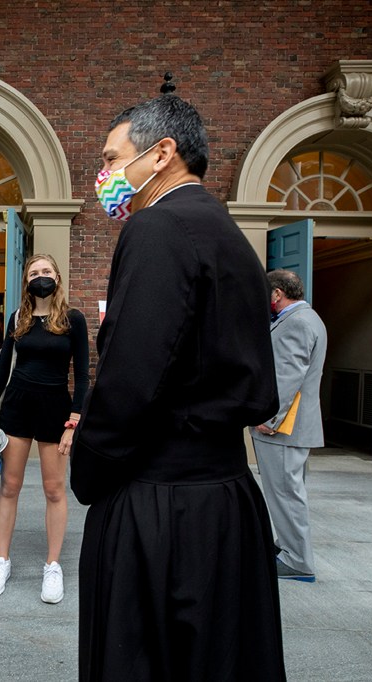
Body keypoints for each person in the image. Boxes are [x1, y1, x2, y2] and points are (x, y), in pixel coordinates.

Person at [71, 95, 286, 680]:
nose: (105, 175)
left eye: (113, 158)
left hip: (161, 498)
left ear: (161, 153)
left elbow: (131, 374)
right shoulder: (225, 233)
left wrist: (88, 468)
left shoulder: (158, 227)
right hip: (223, 496)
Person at [0, 254, 89, 604]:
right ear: (26, 280)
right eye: (34, 272)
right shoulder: (18, 317)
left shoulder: (73, 319)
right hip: (17, 407)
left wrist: (74, 421)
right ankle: (2, 560)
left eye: (46, 271)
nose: (40, 277)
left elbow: (84, 375)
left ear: (57, 276)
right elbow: (1, 368)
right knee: (9, 486)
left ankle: (53, 565)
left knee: (54, 489)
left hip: (55, 410)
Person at [252, 269, 328, 583]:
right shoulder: (309, 318)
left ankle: (298, 561)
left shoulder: (296, 323)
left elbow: (287, 377)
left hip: (284, 428)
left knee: (285, 493)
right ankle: (286, 547)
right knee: (287, 491)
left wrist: (268, 418)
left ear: (278, 293)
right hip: (293, 426)